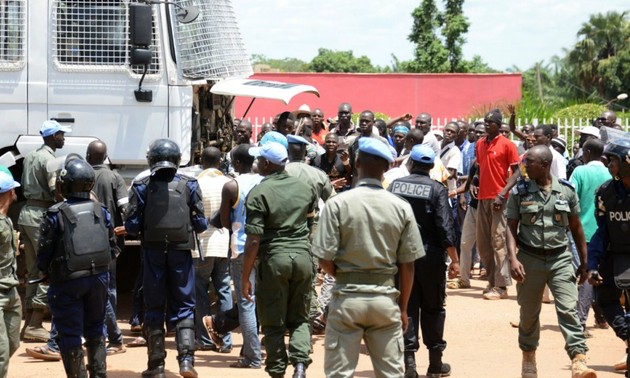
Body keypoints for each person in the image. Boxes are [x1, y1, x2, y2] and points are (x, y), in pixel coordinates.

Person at [312, 137, 425, 377]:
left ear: (357, 162)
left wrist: (343, 275)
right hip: (385, 301)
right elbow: (408, 265)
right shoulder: (401, 207)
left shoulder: (337, 204)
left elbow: (324, 258)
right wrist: (403, 308)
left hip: (346, 299)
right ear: (387, 168)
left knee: (339, 374)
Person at [506, 145, 596, 378]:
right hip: (529, 260)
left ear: (545, 165)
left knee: (568, 309)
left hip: (560, 259)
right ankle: (528, 357)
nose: (525, 166)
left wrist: (585, 263)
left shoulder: (566, 191)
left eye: (529, 162)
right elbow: (510, 227)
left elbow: (576, 229)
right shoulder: (520, 192)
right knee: (529, 313)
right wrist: (513, 258)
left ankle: (578, 360)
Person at [125, 138, 208, 378]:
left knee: (153, 306)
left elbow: (131, 226)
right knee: (185, 305)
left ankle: (156, 365)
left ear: (151, 159)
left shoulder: (141, 186)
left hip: (152, 253)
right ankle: (186, 361)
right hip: (181, 252)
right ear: (177, 159)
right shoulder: (190, 184)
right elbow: (201, 224)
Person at [37, 158, 119, 377]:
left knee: (70, 333)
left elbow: (44, 251)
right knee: (96, 328)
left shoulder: (55, 213)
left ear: (65, 184)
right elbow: (112, 246)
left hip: (67, 281)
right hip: (99, 279)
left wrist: (44, 271)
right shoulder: (102, 211)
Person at [242, 142, 317, 378]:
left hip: (274, 260)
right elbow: (310, 224)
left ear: (266, 163)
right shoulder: (305, 189)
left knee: (273, 321)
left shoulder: (259, 192)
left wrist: (245, 277)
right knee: (301, 317)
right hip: (303, 258)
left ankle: (277, 371)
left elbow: (253, 240)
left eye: (259, 160)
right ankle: (301, 366)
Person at [389, 144, 459, 378]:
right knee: (434, 307)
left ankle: (409, 365)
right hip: (430, 258)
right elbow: (445, 228)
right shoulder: (437, 190)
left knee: (406, 306)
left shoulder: (396, 186)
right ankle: (435, 364)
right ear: (431, 167)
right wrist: (455, 261)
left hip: (401, 257)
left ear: (410, 164)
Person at [203, 144, 263, 369]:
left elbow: (225, 221)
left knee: (246, 303)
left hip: (240, 248)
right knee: (258, 302)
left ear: (236, 163)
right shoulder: (264, 181)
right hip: (264, 248)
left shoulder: (231, 186)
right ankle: (252, 351)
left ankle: (252, 357)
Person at [19, 120, 70, 343]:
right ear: (51, 137)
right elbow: (54, 191)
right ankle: (35, 324)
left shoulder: (30, 156)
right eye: (60, 134)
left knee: (31, 270)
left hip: (25, 213)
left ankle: (28, 322)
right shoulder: (50, 160)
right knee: (45, 269)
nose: (63, 138)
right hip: (40, 215)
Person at [587, 137, 630, 373]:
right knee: (604, 300)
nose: (608, 164)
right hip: (615, 256)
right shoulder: (605, 192)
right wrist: (592, 264)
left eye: (612, 160)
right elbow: (601, 233)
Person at [85, 140, 128, 356]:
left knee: (90, 288)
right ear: (105, 156)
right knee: (108, 289)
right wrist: (124, 228)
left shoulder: (82, 176)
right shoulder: (115, 177)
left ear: (88, 155)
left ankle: (104, 336)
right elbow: (125, 207)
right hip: (109, 242)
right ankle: (111, 338)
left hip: (85, 243)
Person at [474, 109, 520, 299]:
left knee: (499, 241)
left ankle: (502, 286)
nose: (486, 125)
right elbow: (479, 168)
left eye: (490, 122)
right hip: (482, 198)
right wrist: (474, 183)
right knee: (484, 243)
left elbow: (517, 172)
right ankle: (492, 281)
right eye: (485, 121)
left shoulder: (507, 145)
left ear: (499, 125)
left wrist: (502, 194)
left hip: (500, 199)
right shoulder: (479, 143)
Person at [193, 147, 233, 353]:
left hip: (202, 245)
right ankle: (226, 341)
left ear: (202, 161)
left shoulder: (196, 183)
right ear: (220, 162)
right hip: (224, 242)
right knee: (224, 289)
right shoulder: (228, 183)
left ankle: (206, 340)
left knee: (200, 291)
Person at [570, 139, 611, 338]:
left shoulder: (580, 172)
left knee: (586, 274)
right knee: (601, 273)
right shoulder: (610, 172)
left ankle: (580, 322)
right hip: (606, 231)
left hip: (583, 231)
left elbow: (571, 197)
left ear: (586, 152)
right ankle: (601, 317)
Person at [0, 171, 21, 377]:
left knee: (13, 343)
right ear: (9, 192)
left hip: (11, 290)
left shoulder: (6, 219)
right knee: (1, 352)